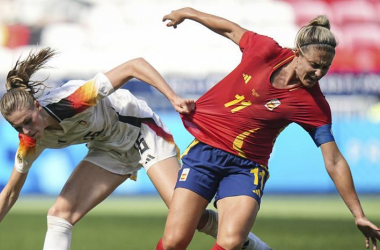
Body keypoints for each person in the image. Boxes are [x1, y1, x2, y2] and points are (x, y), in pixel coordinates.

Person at [156, 7, 380, 250]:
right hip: (205, 151)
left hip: (246, 168)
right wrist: (189, 13)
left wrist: (358, 214)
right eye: (314, 64)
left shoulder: (314, 105)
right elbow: (230, 30)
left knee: (231, 242)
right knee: (174, 242)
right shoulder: (265, 50)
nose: (318, 73)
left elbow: (334, 160)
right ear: (297, 53)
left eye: (324, 68)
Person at [0, 48, 269, 250]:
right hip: (107, 148)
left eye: (28, 121)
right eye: (17, 128)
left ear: (37, 106)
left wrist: (172, 97)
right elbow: (10, 192)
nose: (25, 131)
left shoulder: (72, 102)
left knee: (193, 219)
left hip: (141, 131)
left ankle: (258, 247)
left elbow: (134, 65)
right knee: (59, 216)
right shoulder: (29, 141)